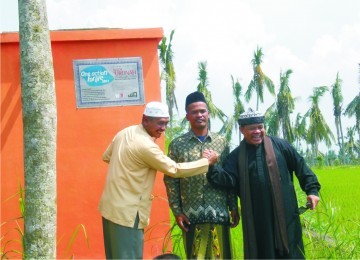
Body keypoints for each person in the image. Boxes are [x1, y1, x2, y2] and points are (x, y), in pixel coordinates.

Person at [98, 101, 218, 259]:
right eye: (160, 123)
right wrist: (206, 162)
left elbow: (107, 156)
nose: (164, 128)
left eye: (166, 123)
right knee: (129, 256)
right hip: (128, 212)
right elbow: (175, 169)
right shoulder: (146, 146)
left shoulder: (125, 132)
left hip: (110, 207)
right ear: (145, 119)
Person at [206, 108, 321, 259]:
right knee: (262, 252)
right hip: (257, 218)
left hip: (286, 214)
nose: (257, 131)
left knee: (292, 253)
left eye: (260, 127)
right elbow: (228, 180)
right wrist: (212, 166)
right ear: (242, 130)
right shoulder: (236, 156)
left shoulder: (281, 146)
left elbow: (300, 166)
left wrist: (312, 190)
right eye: (252, 128)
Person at [164, 91, 240, 259]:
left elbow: (230, 178)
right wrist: (177, 211)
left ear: (208, 113)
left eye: (202, 111)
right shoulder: (177, 145)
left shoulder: (221, 142)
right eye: (194, 112)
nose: (199, 115)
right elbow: (171, 179)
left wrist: (233, 207)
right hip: (191, 215)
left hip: (219, 212)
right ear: (187, 116)